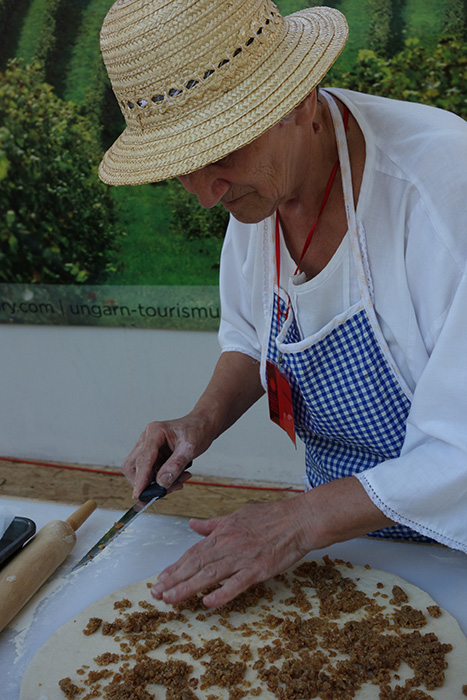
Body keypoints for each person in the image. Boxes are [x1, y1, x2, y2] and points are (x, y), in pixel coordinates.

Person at [98, 0, 467, 608]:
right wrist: (199, 423)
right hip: (342, 547)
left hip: (453, 545)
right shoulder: (258, 189)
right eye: (181, 170)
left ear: (298, 99)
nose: (206, 196)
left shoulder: (439, 183)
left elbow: (459, 445)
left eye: (220, 154)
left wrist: (295, 521)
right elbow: (250, 337)